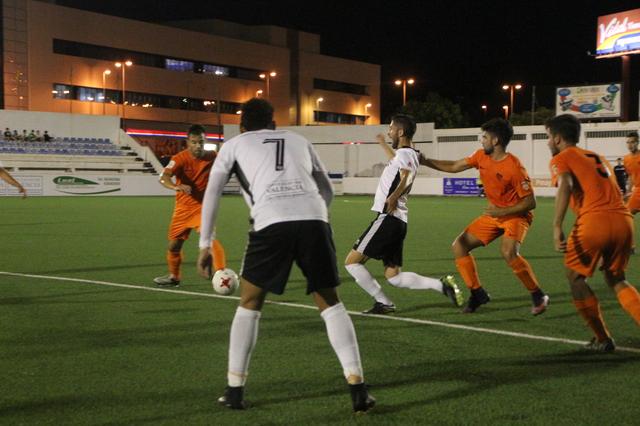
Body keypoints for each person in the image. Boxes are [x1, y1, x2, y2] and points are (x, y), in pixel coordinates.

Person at [197, 98, 375, 412]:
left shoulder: (234, 145)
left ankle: (234, 391)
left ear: (241, 126)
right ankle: (358, 388)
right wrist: (315, 218)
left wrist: (205, 244)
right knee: (330, 302)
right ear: (274, 123)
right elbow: (327, 189)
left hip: (270, 223)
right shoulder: (299, 140)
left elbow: (212, 192)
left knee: (250, 303)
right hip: (314, 221)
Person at [419, 118, 549, 315]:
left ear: (495, 140)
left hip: (516, 216)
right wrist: (425, 161)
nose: (482, 141)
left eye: (485, 137)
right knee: (459, 246)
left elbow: (530, 203)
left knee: (508, 252)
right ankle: (478, 293)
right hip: (495, 215)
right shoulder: (481, 156)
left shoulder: (514, 167)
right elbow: (454, 166)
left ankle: (538, 294)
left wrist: (502, 212)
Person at [344, 114, 463, 315]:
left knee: (352, 262)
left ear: (400, 132)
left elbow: (406, 177)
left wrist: (393, 197)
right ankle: (441, 285)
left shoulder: (406, 155)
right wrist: (383, 144)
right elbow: (398, 163)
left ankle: (384, 303)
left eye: (391, 129)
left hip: (388, 218)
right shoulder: (407, 154)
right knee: (394, 277)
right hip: (398, 222)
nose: (389, 131)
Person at [546, 114, 640, 352]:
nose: (548, 142)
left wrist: (557, 225)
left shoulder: (562, 157)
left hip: (595, 221)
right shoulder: (596, 157)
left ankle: (602, 338)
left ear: (557, 138)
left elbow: (565, 184)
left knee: (575, 277)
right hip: (624, 220)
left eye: (548, 137)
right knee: (616, 279)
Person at [153, 124, 227, 287]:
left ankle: (222, 274)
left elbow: (227, 168)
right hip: (182, 209)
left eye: (201, 142)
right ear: (187, 142)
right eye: (194, 142)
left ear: (205, 141)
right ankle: (174, 277)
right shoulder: (179, 159)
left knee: (209, 240)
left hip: (202, 207)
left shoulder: (213, 156)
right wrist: (175, 186)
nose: (198, 146)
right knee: (174, 245)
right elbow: (163, 177)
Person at [623, 131, 640, 215]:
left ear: (637, 142)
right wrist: (628, 191)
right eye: (628, 142)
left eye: (632, 142)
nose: (630, 145)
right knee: (627, 213)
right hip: (637, 190)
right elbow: (630, 176)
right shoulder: (626, 159)